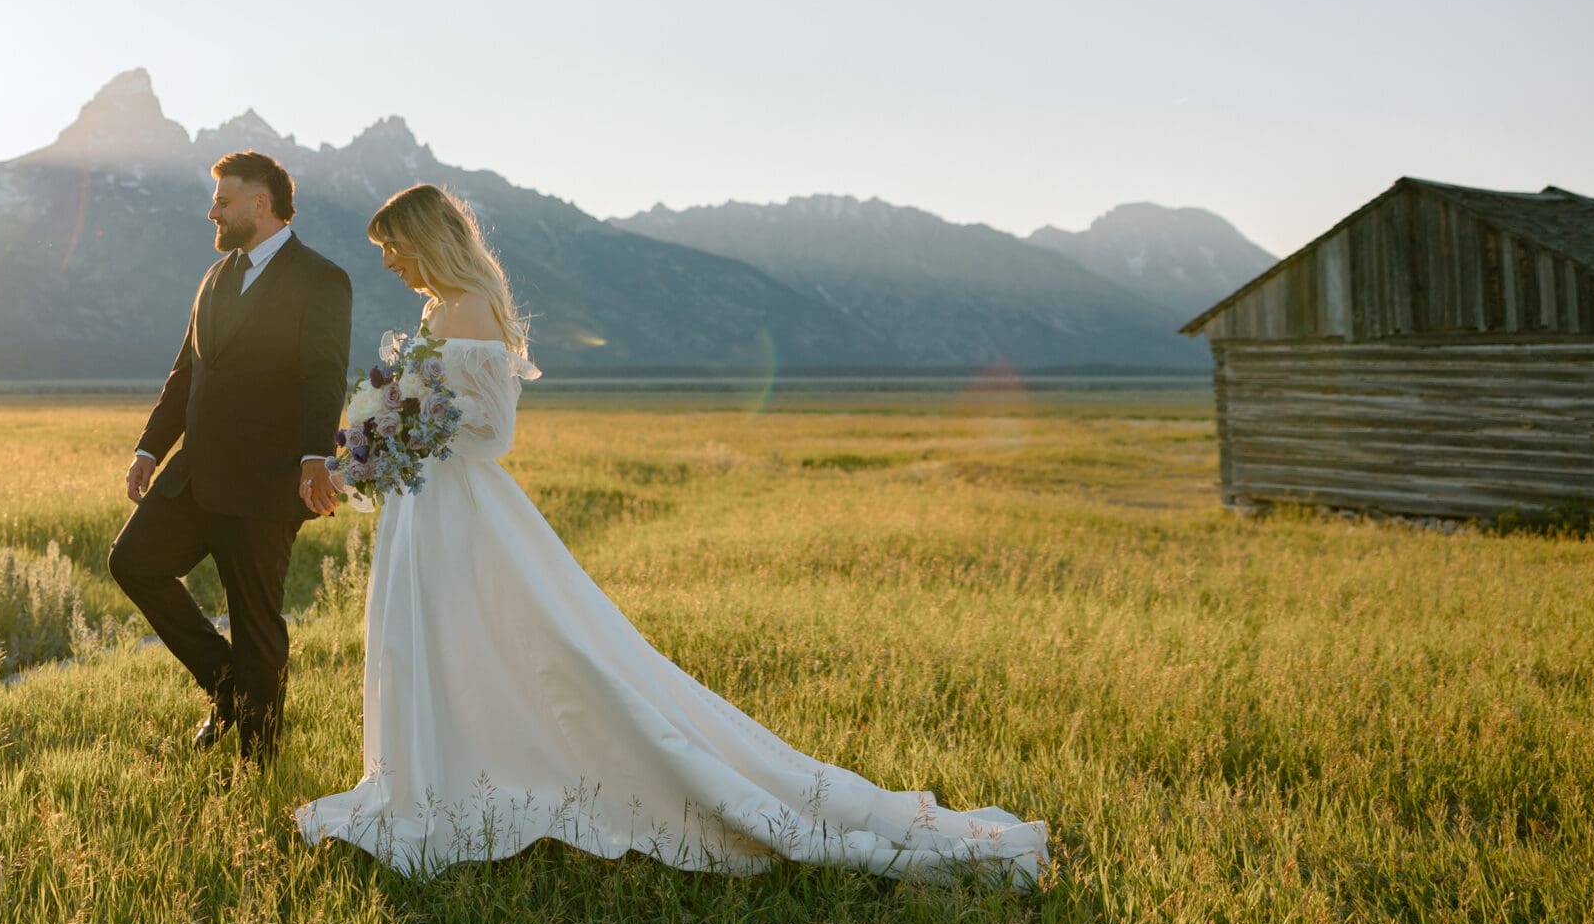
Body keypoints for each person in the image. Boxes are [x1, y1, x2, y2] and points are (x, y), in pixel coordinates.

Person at [294, 183, 1050, 884]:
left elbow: (492, 431)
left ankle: (526, 776)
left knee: (539, 646)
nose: (387, 260)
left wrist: (399, 437)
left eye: (392, 245)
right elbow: (422, 412)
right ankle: (434, 774)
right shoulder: (433, 313)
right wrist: (377, 439)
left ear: (424, 236)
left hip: (465, 508)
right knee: (430, 640)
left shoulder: (472, 310)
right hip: (424, 509)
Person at [108, 150, 352, 761]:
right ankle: (227, 685)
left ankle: (259, 759)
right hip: (194, 476)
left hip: (266, 483)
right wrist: (149, 448)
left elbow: (325, 375)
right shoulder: (214, 278)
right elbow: (186, 372)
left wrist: (314, 457)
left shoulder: (321, 278)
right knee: (133, 562)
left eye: (222, 200)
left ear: (259, 204)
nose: (210, 211)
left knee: (256, 622)